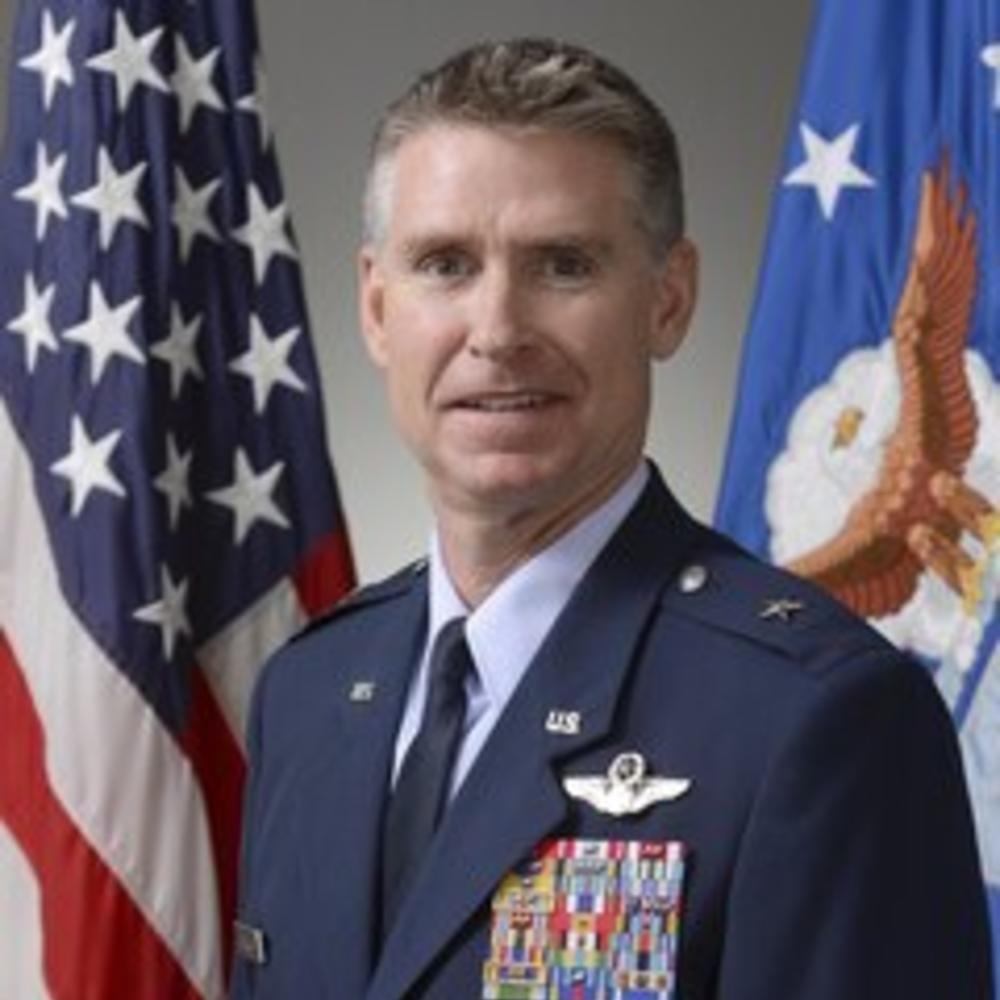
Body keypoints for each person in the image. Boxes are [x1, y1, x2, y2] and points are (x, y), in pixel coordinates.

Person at [230, 38, 993, 1000]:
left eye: (562, 264)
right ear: (378, 308)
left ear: (667, 302)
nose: (498, 330)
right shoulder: (308, 691)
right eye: (446, 264)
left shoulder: (816, 720)